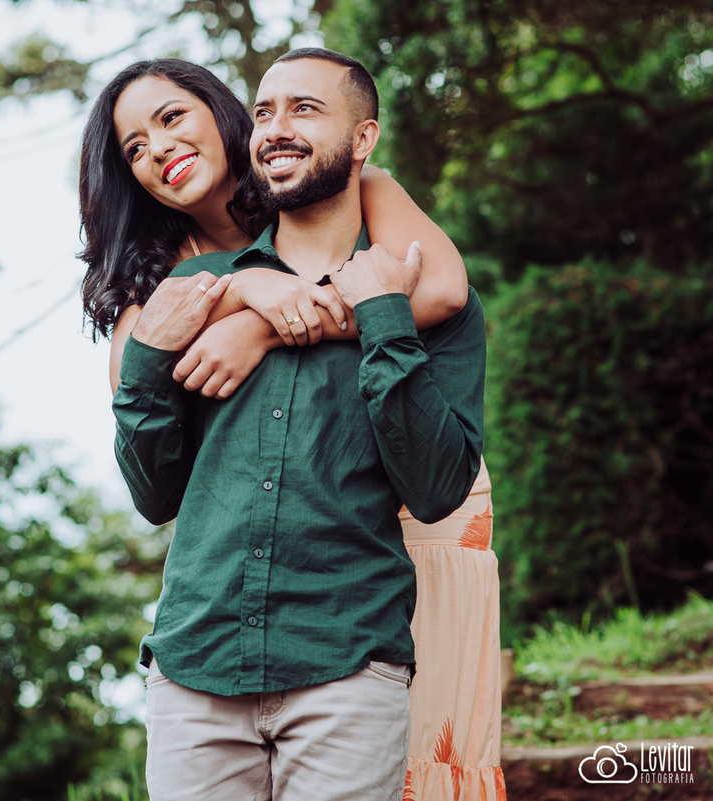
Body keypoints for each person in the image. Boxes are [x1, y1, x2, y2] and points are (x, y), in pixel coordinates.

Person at [80, 56, 505, 801]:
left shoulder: (345, 186)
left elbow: (437, 289)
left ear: (224, 117)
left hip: (381, 545)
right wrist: (245, 287)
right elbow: (140, 419)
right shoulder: (166, 277)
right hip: (217, 627)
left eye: (172, 118)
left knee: (436, 732)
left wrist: (265, 326)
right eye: (134, 148)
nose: (158, 150)